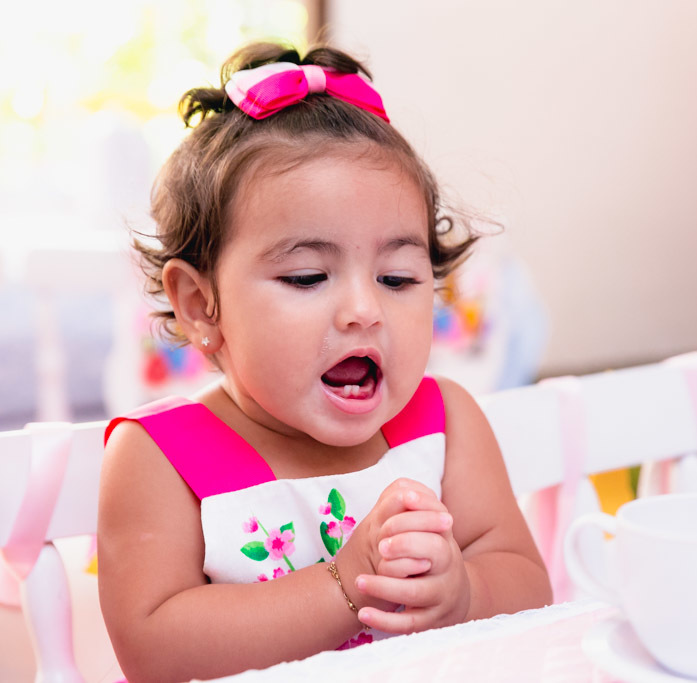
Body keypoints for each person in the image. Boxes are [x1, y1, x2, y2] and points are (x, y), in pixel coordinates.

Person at [97, 41, 552, 683]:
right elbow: (154, 651)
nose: (364, 310)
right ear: (202, 305)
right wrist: (345, 586)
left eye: (397, 278)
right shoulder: (162, 458)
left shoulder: (443, 422)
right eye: (309, 277)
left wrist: (464, 595)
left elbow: (528, 581)